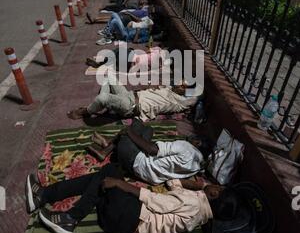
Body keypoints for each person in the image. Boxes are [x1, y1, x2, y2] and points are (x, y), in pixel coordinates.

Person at [25, 162, 224, 233]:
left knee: (111, 173)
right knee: (101, 182)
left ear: (215, 193)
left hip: (129, 218)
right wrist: (197, 186)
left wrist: (121, 184)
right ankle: (45, 197)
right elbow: (172, 184)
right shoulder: (200, 211)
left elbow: (156, 201)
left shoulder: (193, 202)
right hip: (122, 226)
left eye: (216, 187)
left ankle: (69, 217)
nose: (211, 184)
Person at [67, 70, 201, 121]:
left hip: (131, 106)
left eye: (184, 87)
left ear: (187, 92)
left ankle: (86, 111)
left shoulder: (181, 102)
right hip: (130, 94)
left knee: (103, 98)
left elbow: (197, 97)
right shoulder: (170, 87)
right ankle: (104, 104)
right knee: (109, 77)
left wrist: (194, 89)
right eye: (181, 83)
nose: (180, 86)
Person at [117, 118, 207, 184]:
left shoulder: (186, 146)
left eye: (193, 137)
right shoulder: (197, 167)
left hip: (135, 160)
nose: (189, 137)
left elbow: (151, 150)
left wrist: (129, 132)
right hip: (149, 177)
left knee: (136, 124)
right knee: (149, 130)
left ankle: (107, 148)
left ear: (198, 142)